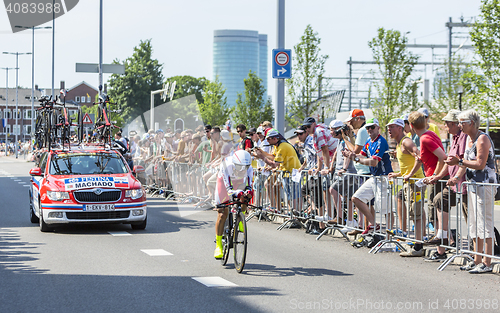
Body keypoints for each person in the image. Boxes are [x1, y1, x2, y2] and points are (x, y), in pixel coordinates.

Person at [445, 109, 497, 274]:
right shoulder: (468, 138)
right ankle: (476, 259)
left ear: (472, 123)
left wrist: (459, 161)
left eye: (462, 122)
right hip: (473, 185)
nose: (459, 125)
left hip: (485, 185)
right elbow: (465, 163)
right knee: (474, 224)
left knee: (485, 224)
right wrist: (457, 177)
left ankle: (487, 262)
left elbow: (480, 164)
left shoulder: (482, 139)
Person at [426, 110, 468, 259]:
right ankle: (443, 238)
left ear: (455, 124)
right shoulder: (454, 138)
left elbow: (463, 162)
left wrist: (456, 177)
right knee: (439, 199)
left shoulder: (465, 138)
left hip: (466, 184)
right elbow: (448, 161)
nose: (445, 127)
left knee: (471, 218)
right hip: (455, 184)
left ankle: (479, 256)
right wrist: (437, 176)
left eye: (447, 124)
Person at [407, 111, 448, 262]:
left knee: (435, 212)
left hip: (436, 180)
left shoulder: (424, 138)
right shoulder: (430, 134)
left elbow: (442, 157)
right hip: (436, 178)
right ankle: (442, 248)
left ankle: (441, 251)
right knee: (437, 212)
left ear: (411, 126)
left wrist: (434, 176)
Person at [344, 118, 393, 235]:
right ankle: (373, 225)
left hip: (384, 177)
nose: (369, 130)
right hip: (375, 177)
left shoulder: (381, 141)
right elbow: (361, 156)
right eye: (368, 128)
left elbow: (374, 162)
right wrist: (351, 155)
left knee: (386, 210)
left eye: (372, 127)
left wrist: (356, 159)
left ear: (378, 128)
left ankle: (390, 237)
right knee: (356, 198)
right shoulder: (368, 141)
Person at [386, 118, 426, 257]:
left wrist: (410, 174)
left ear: (399, 128)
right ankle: (417, 240)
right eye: (388, 127)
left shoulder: (406, 141)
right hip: (409, 182)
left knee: (416, 214)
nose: (389, 130)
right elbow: (408, 163)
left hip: (415, 183)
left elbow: (419, 157)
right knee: (414, 212)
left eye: (392, 127)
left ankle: (418, 246)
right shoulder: (399, 144)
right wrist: (398, 174)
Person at [214, 150, 253, 259]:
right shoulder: (227, 166)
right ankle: (218, 245)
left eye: (245, 167)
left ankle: (241, 217)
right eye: (239, 167)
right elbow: (228, 189)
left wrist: (247, 193)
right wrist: (236, 193)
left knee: (246, 196)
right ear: (234, 164)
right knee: (222, 213)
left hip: (239, 182)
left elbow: (249, 186)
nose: (242, 170)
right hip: (224, 182)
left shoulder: (249, 169)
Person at [253, 129, 301, 213]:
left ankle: (293, 214)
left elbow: (274, 164)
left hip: (292, 173)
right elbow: (273, 157)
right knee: (285, 192)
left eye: (268, 139)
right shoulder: (277, 145)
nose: (266, 141)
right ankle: (287, 212)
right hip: (286, 172)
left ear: (275, 139)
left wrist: (262, 157)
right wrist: (262, 152)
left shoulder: (282, 147)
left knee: (292, 196)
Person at [302, 117, 338, 222]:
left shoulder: (318, 132)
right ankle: (329, 214)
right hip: (331, 161)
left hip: (334, 161)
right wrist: (318, 167)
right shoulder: (315, 133)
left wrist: (326, 168)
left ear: (314, 124)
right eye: (305, 127)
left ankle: (331, 214)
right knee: (325, 188)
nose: (307, 129)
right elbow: (319, 152)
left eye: (308, 126)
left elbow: (325, 150)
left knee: (327, 188)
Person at [327, 119, 358, 233]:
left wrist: (344, 168)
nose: (330, 133)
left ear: (338, 130)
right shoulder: (341, 141)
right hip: (346, 173)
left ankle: (340, 217)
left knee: (332, 190)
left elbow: (347, 155)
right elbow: (337, 154)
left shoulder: (346, 141)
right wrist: (332, 167)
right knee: (348, 198)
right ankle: (350, 222)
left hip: (348, 172)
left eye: (331, 130)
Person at [344, 109, 371, 235]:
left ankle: (366, 228)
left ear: (358, 119)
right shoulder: (365, 130)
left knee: (362, 201)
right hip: (365, 169)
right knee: (364, 201)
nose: (350, 124)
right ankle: (362, 226)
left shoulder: (362, 130)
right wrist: (350, 137)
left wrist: (345, 140)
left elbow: (355, 151)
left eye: (351, 121)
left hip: (365, 170)